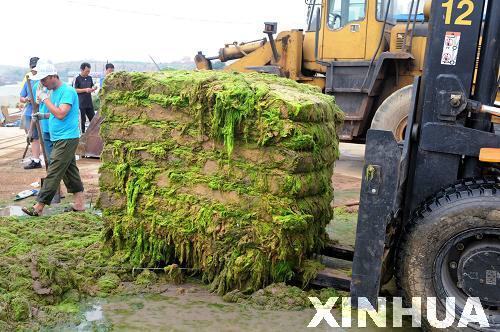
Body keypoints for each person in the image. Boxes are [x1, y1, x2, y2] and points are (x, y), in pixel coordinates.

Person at [22, 61, 85, 216]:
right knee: (70, 171)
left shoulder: (67, 91)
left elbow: (61, 113)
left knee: (54, 170)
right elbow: (56, 112)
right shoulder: (54, 92)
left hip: (67, 137)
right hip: (59, 137)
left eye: (44, 80)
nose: (42, 84)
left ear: (52, 76)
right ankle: (79, 203)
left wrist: (45, 99)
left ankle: (38, 206)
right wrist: (44, 115)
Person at [19, 57, 42, 169]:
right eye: (32, 67)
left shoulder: (43, 80)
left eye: (35, 67)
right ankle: (36, 159)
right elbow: (21, 97)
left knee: (44, 137)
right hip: (29, 112)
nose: (34, 69)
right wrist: (27, 99)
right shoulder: (28, 79)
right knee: (33, 137)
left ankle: (37, 158)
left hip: (42, 113)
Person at [73, 62, 96, 133]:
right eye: (87, 71)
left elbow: (91, 86)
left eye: (89, 71)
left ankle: (93, 134)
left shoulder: (90, 78)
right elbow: (74, 90)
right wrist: (85, 90)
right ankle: (82, 135)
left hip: (89, 102)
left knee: (93, 120)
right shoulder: (77, 78)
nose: (88, 73)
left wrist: (93, 88)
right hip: (80, 103)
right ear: (81, 70)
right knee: (82, 121)